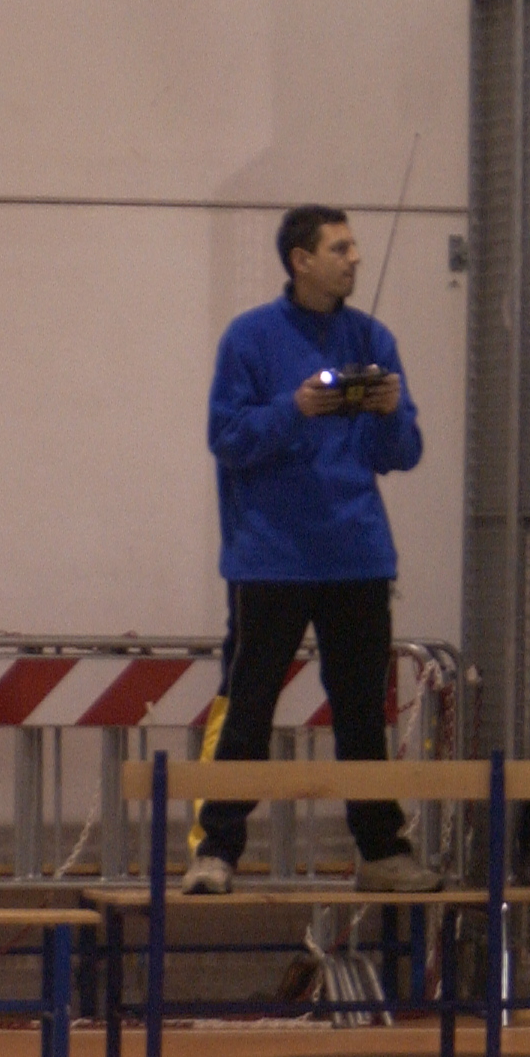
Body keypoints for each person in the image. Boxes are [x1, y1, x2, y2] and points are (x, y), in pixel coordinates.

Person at [188, 204, 443, 896]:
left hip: (357, 556)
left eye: (355, 247)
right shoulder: (249, 338)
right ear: (301, 261)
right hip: (271, 559)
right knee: (248, 706)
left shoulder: (373, 339)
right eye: (339, 248)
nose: (354, 258)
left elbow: (403, 453)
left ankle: (382, 852)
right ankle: (216, 849)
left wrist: (389, 412)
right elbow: (227, 438)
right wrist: (294, 409)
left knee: (362, 712)